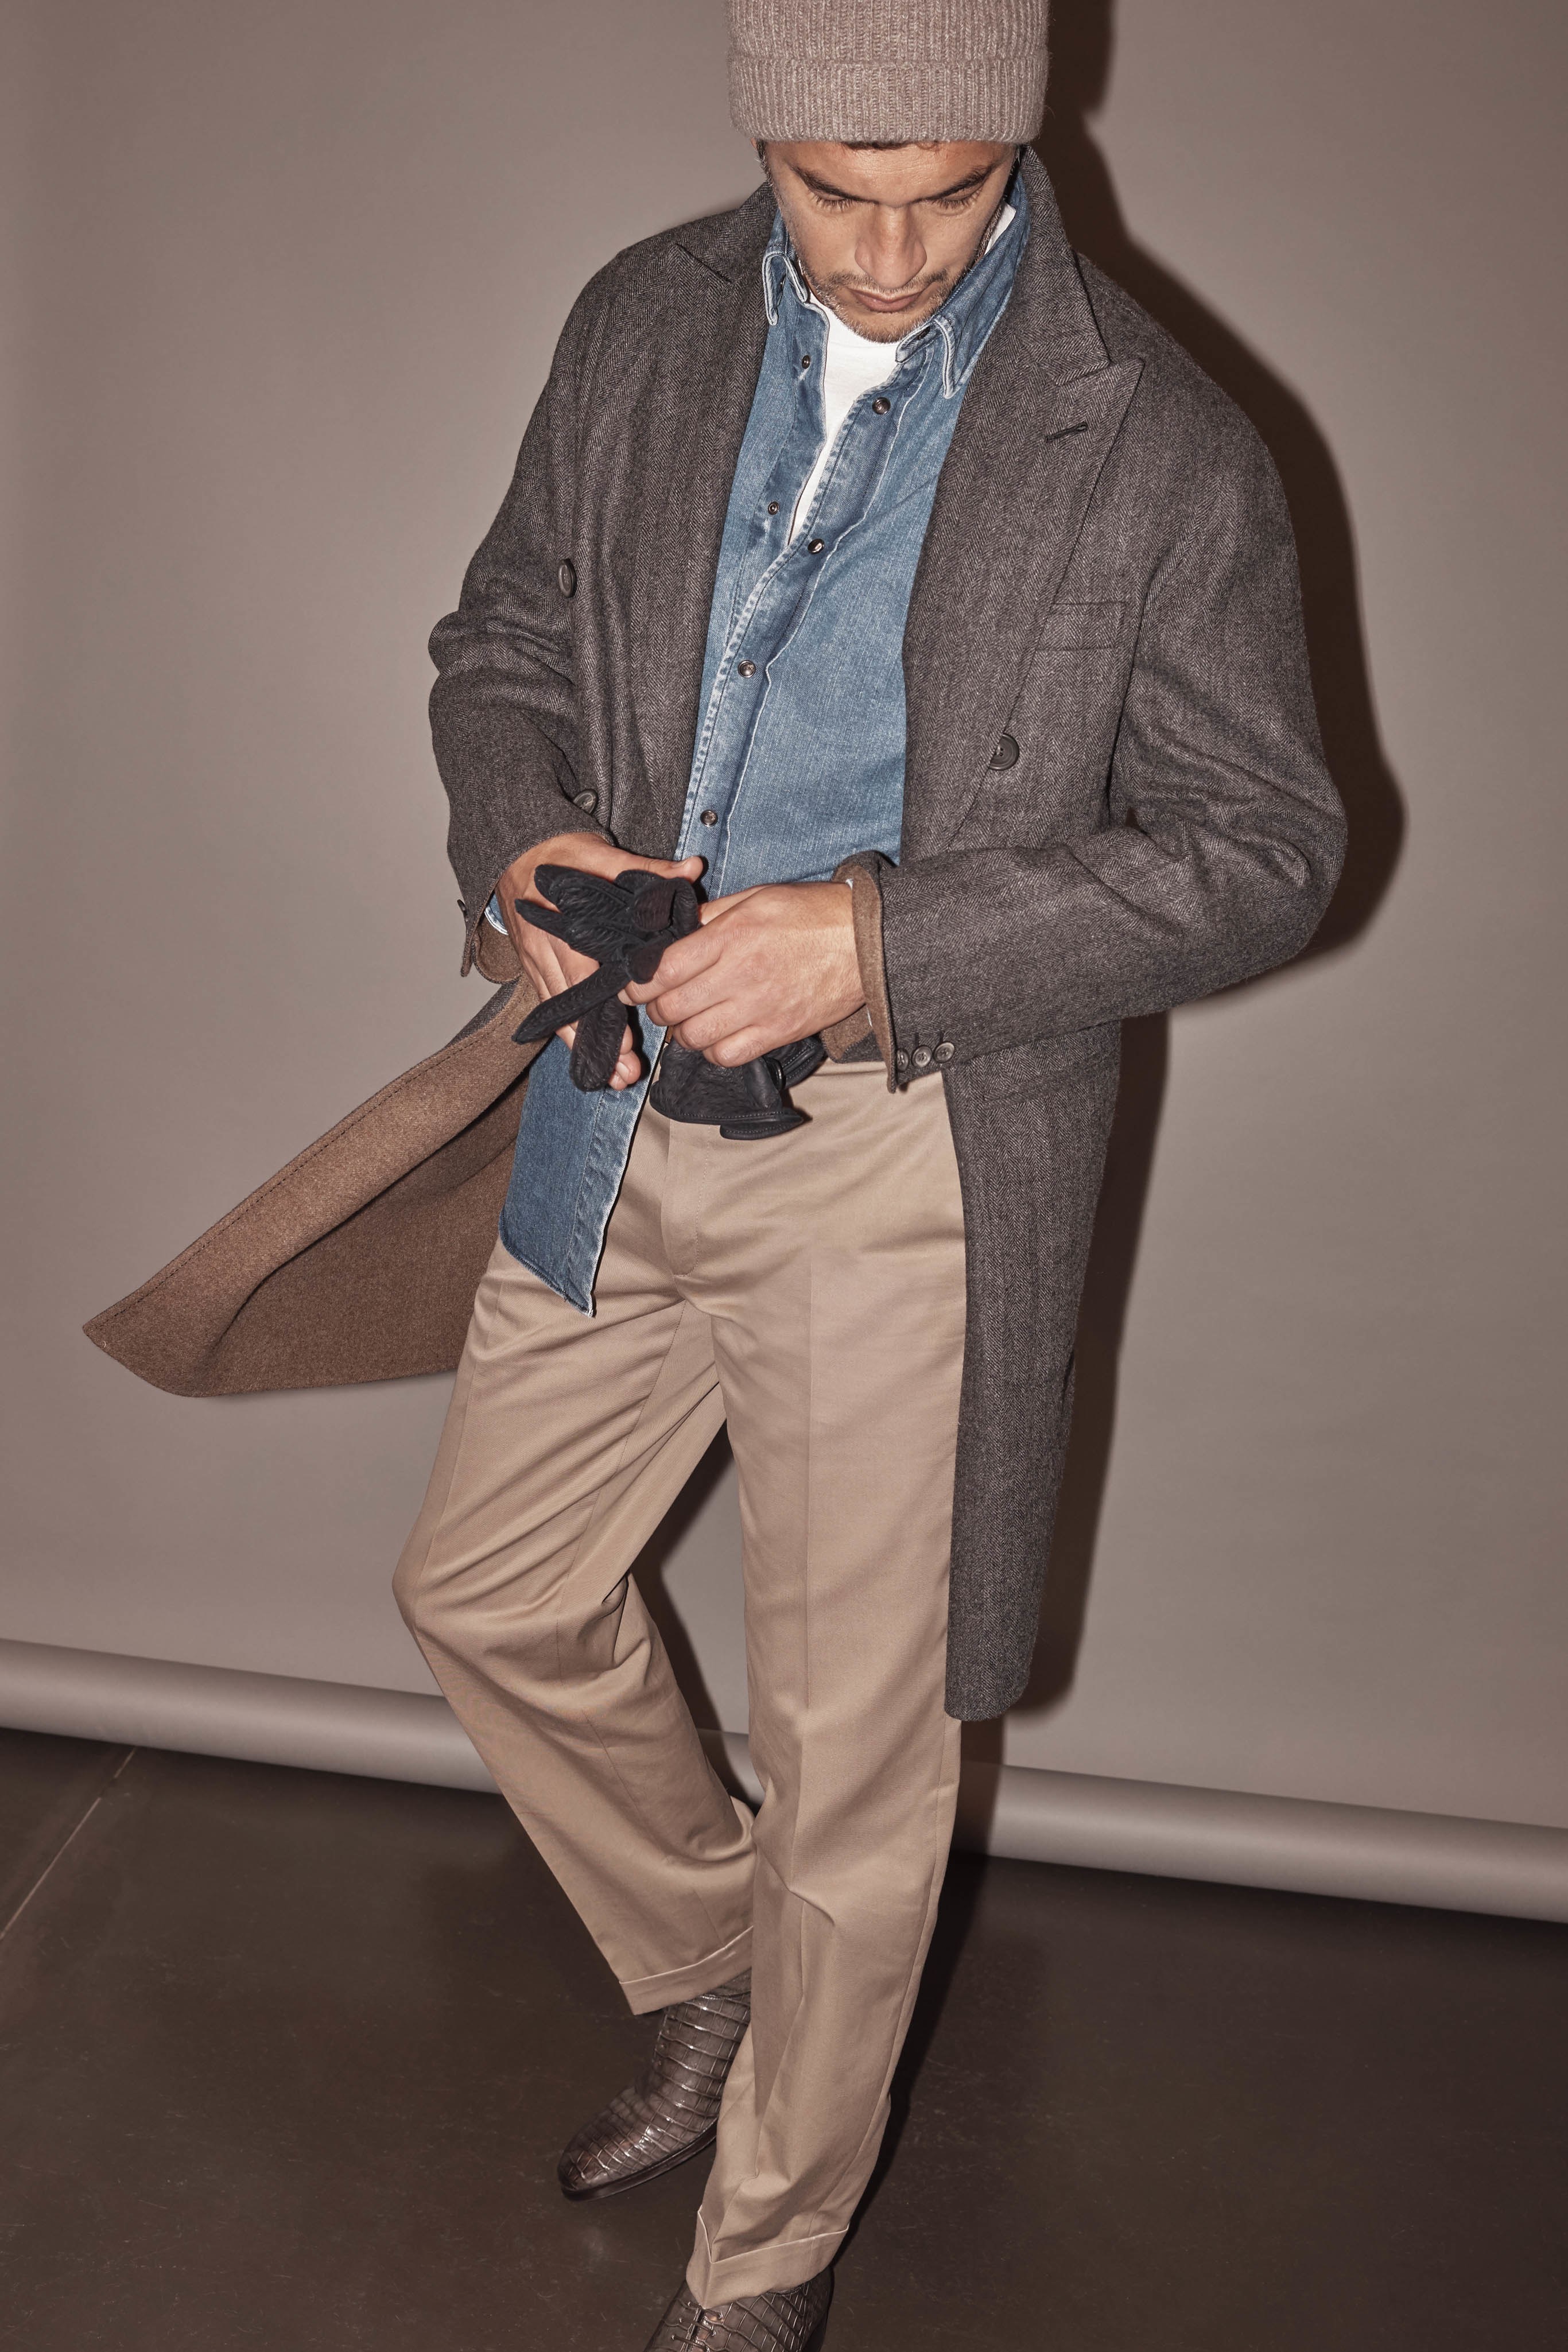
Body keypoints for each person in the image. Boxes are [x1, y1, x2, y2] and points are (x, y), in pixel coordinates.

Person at [89, 3, 1344, 2344]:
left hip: (903, 1161)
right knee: (489, 1593)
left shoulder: (1161, 439)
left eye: (948, 190)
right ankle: (713, 1963)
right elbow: (501, 637)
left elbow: (1266, 848)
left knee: (854, 1762)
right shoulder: (639, 321)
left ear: (1026, 132)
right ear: (757, 127)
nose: (886, 252)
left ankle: (762, 2258)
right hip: (607, 1101)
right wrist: (518, 841)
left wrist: (875, 939)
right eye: (830, 188)